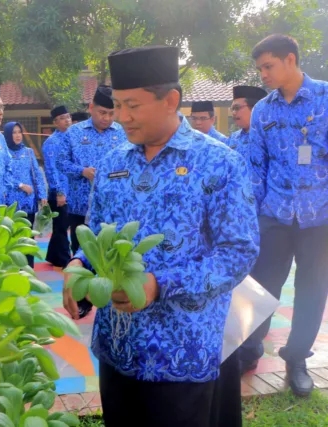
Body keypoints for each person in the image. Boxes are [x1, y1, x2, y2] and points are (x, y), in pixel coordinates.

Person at [63, 46, 259, 426]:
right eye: (117, 106)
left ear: (170, 101)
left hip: (183, 352)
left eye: (132, 105)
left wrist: (160, 284)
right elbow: (94, 237)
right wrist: (78, 263)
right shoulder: (112, 163)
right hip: (118, 347)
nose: (121, 117)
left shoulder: (219, 162)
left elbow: (237, 252)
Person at [238, 34, 328, 397]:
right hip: (273, 215)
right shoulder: (263, 110)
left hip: (319, 217)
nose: (263, 74)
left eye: (268, 66)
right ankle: (247, 348)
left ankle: (296, 358)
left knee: (312, 290)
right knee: (260, 287)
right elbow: (255, 168)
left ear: (290, 60)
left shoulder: (325, 98)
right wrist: (251, 218)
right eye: (259, 68)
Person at [59, 85, 126, 318]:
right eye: (101, 113)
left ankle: (104, 294)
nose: (106, 118)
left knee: (107, 253)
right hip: (80, 204)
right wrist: (81, 171)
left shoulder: (123, 134)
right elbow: (62, 164)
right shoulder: (74, 133)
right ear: (90, 108)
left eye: (111, 113)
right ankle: (81, 299)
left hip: (112, 208)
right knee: (79, 252)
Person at [4, 122, 47, 268]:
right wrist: (20, 185)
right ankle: (15, 268)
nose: (17, 135)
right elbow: (4, 176)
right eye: (13, 133)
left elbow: (37, 175)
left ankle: (29, 268)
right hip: (11, 203)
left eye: (19, 132)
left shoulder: (28, 152)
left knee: (28, 236)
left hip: (29, 202)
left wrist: (42, 195)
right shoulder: (4, 152)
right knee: (13, 236)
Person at [41, 106, 72, 268]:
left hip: (73, 190)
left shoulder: (73, 138)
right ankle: (63, 258)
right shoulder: (52, 142)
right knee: (61, 226)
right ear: (55, 122)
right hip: (59, 192)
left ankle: (53, 255)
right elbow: (50, 169)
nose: (67, 120)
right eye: (62, 118)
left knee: (65, 224)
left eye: (68, 117)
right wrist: (59, 191)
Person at [226, 85, 268, 160]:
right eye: (232, 109)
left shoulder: (268, 136)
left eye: (237, 108)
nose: (234, 113)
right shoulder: (233, 138)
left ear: (254, 109)